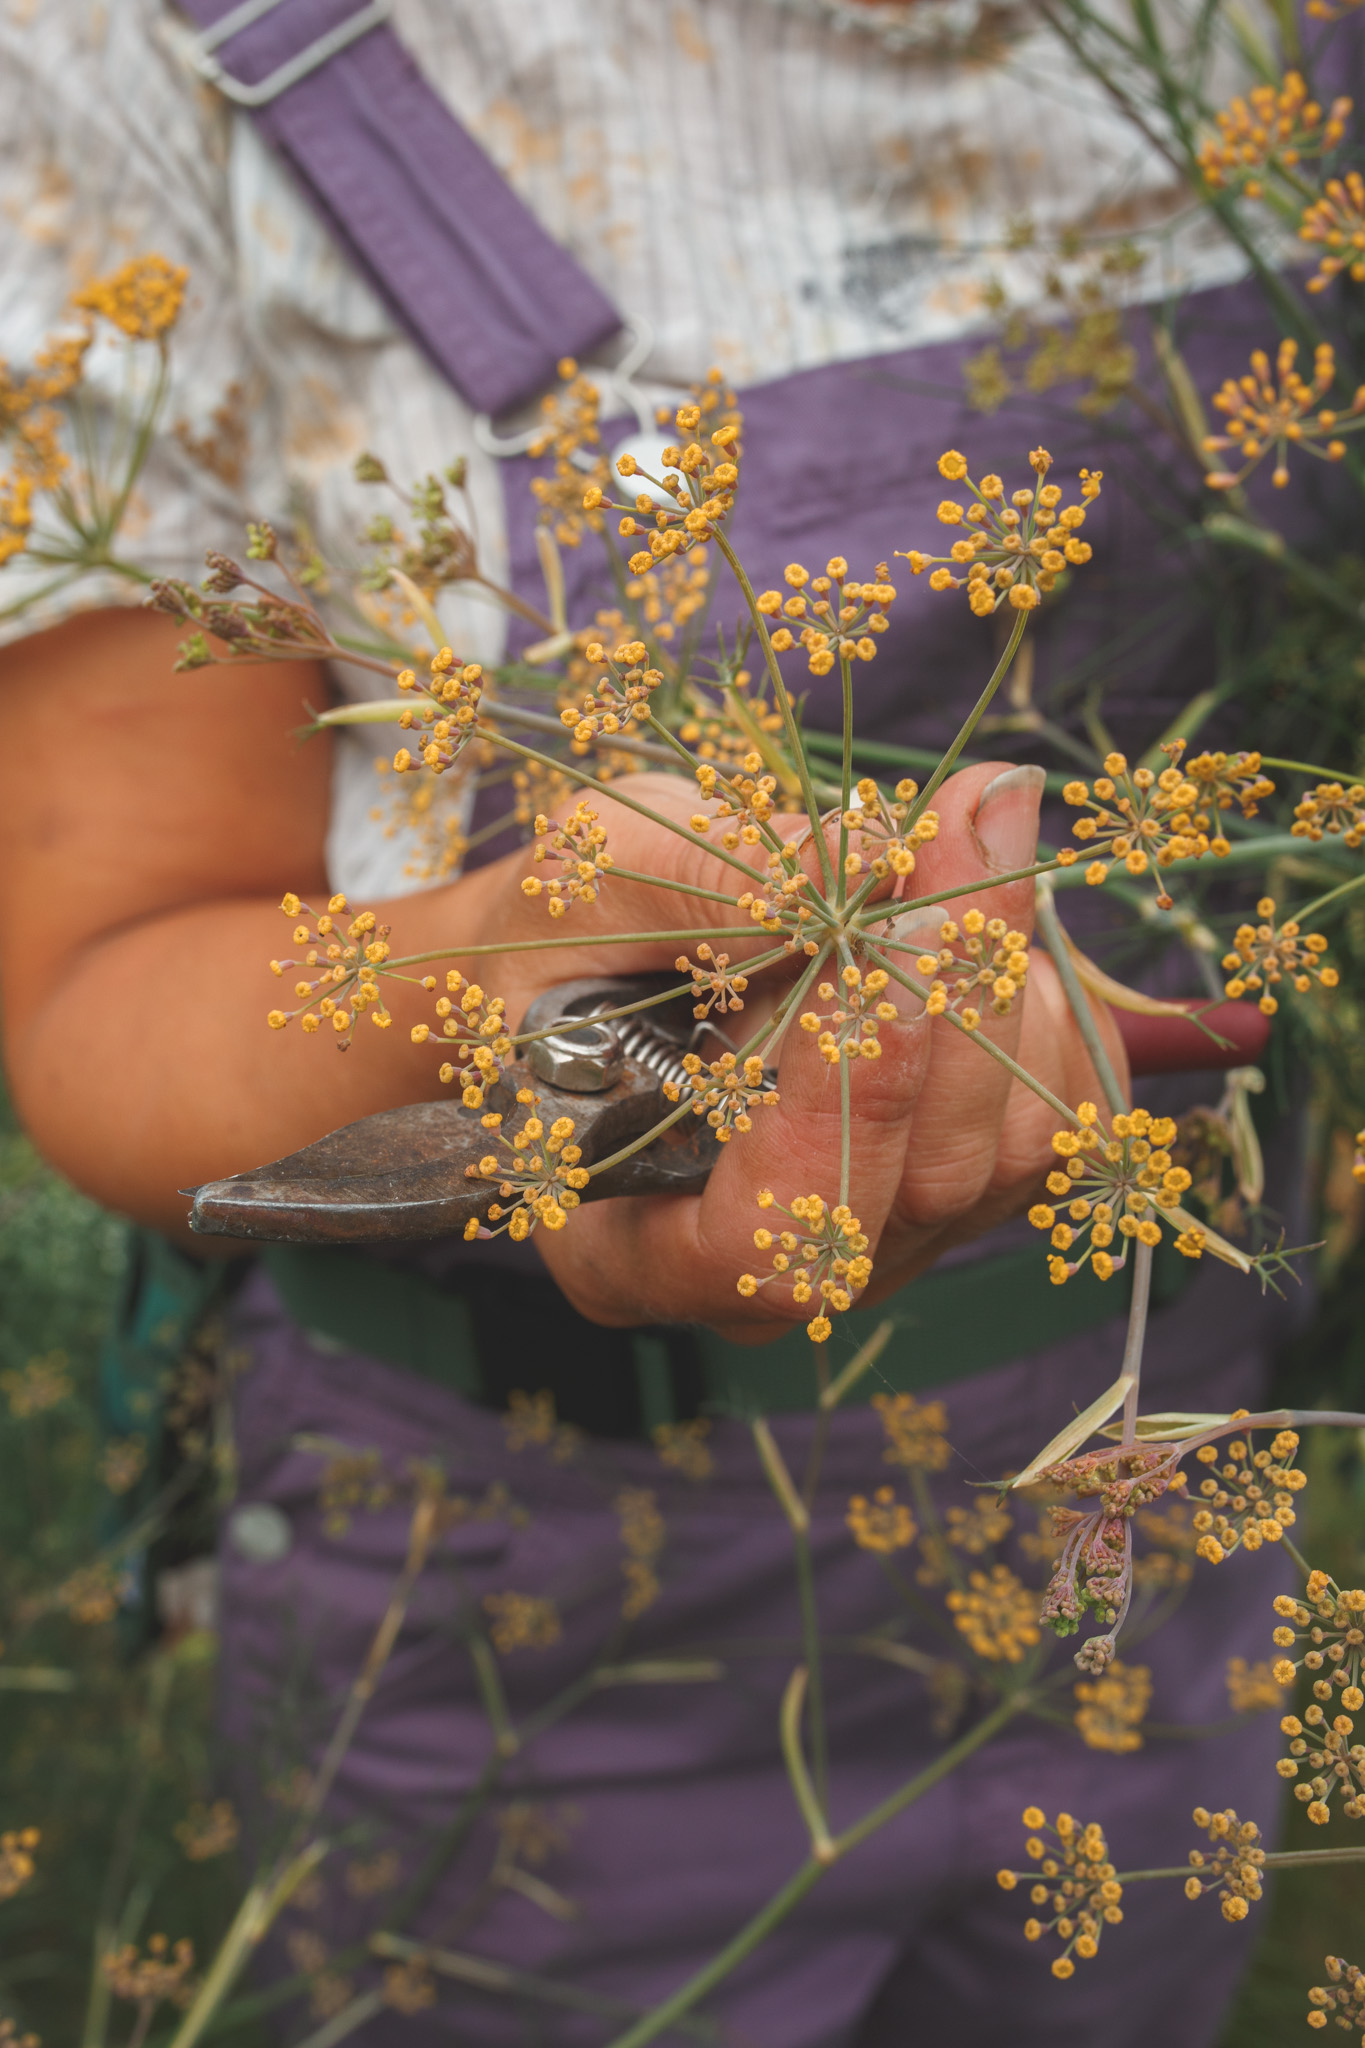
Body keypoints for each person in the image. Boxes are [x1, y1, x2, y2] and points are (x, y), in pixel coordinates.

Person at [0, 4, 1298, 2042]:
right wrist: (496, 966)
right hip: (522, 1565)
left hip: (1155, 1449)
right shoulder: (122, 50)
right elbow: (103, 978)